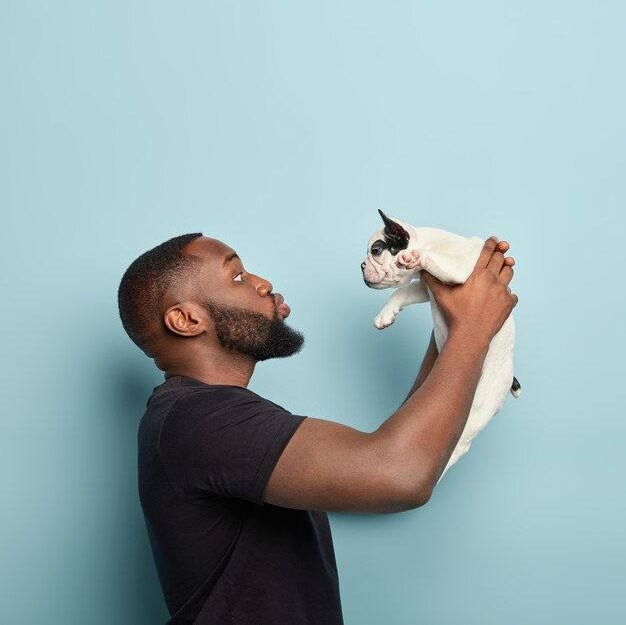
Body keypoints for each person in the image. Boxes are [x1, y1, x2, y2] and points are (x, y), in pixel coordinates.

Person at [117, 233, 517, 624]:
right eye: (237, 276)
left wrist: (452, 321)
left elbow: (406, 447)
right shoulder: (201, 419)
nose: (263, 283)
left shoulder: (199, 415)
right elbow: (401, 473)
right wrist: (473, 329)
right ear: (185, 320)